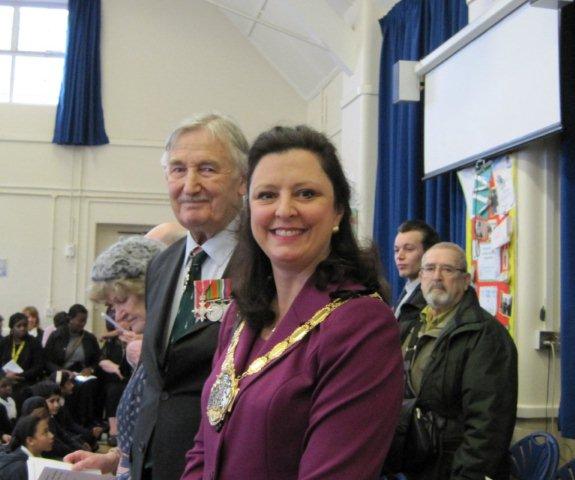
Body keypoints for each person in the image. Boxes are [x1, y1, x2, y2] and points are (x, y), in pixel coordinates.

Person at [182, 125, 404, 479]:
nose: (284, 210)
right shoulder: (240, 313)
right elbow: (203, 447)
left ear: (338, 213)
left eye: (305, 193)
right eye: (267, 195)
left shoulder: (362, 325)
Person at [131, 113, 249, 480]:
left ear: (242, 181)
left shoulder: (265, 264)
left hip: (221, 467)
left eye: (208, 169)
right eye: (178, 170)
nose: (190, 184)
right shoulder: (162, 265)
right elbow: (163, 385)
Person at [392, 242, 517, 479]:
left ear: (466, 279)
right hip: (414, 462)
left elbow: (487, 426)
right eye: (429, 269)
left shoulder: (484, 335)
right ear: (421, 276)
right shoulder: (411, 324)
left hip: (453, 468)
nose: (437, 277)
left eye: (448, 270)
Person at [64, 236, 165, 478]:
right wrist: (110, 459)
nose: (118, 317)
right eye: (112, 307)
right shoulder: (151, 347)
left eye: (121, 302)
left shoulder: (167, 351)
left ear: (152, 289)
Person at [44, 304, 101, 427]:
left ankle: (84, 423)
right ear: (70, 319)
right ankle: (63, 422)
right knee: (61, 383)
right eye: (80, 320)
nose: (82, 324)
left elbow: (97, 359)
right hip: (60, 372)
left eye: (85, 321)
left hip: (81, 373)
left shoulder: (89, 338)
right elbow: (46, 360)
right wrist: (60, 370)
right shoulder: (56, 336)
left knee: (88, 385)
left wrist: (90, 369)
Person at [393, 220, 440, 341]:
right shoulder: (408, 289)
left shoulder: (433, 296)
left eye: (409, 249)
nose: (400, 256)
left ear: (429, 253)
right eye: (396, 250)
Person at [0, 313, 44, 410]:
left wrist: (20, 375)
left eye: (25, 325)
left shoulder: (34, 342)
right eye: (18, 326)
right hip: (4, 379)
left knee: (19, 395)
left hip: (26, 381)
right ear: (12, 327)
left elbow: (39, 366)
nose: (22, 328)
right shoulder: (4, 342)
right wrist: (4, 374)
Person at [0, 414, 54, 480]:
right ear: (30, 440)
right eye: (45, 432)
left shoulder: (32, 460)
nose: (51, 435)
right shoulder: (20, 469)